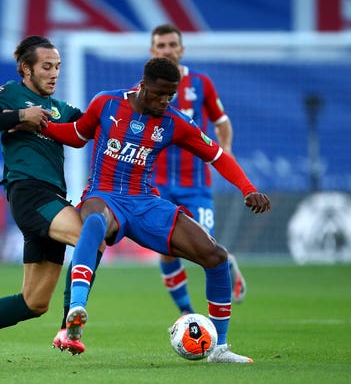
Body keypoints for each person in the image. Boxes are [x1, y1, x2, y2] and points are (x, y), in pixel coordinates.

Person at [43, 57, 271, 363]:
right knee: (94, 222)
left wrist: (248, 188)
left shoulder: (174, 122)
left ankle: (219, 349)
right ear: (143, 84)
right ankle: (76, 311)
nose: (164, 101)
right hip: (104, 194)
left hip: (145, 202)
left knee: (215, 256)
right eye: (159, 94)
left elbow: (216, 155)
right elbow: (77, 134)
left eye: (170, 95)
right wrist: (42, 126)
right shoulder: (106, 104)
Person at [0, 35, 99, 364]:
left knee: (33, 303)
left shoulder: (61, 109)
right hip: (29, 192)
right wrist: (19, 116)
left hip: (52, 197)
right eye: (46, 67)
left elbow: (92, 126)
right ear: (26, 69)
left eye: (58, 67)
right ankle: (68, 329)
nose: (54, 73)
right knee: (89, 237)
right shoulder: (12, 93)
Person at [149, 23, 246, 314]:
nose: (167, 50)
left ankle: (227, 262)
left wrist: (224, 151)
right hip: (158, 184)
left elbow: (222, 121)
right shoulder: (144, 89)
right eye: (161, 46)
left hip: (196, 184)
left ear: (182, 49)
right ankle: (188, 315)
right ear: (152, 51)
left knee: (205, 248)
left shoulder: (201, 83)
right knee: (166, 249)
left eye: (172, 45)